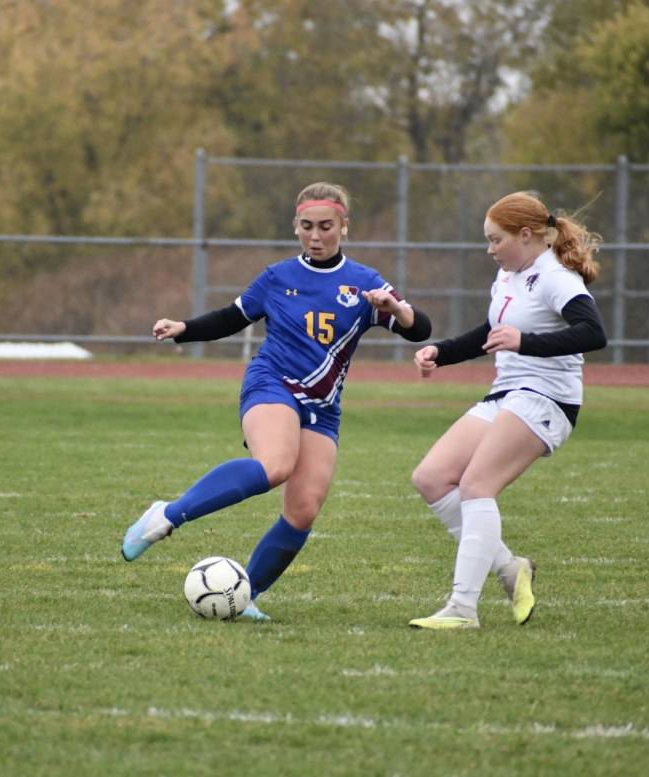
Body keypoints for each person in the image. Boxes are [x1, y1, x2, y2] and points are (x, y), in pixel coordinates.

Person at [121, 181, 432, 621]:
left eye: (326, 226)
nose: (316, 236)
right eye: (307, 226)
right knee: (276, 465)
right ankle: (166, 514)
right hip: (272, 384)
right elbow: (232, 317)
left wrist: (397, 310)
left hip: (322, 407)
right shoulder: (278, 276)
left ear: (345, 226)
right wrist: (184, 328)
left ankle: (244, 595)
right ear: (295, 227)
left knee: (304, 509)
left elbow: (420, 330)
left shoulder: (365, 283)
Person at [407, 191, 607, 630]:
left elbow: (593, 333)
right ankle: (509, 568)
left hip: (547, 398)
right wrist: (440, 352)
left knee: (478, 485)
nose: (489, 249)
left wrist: (526, 343)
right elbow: (491, 332)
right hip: (508, 393)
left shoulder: (556, 277)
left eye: (496, 240)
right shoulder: (507, 277)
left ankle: (462, 608)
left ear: (526, 234)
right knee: (431, 477)